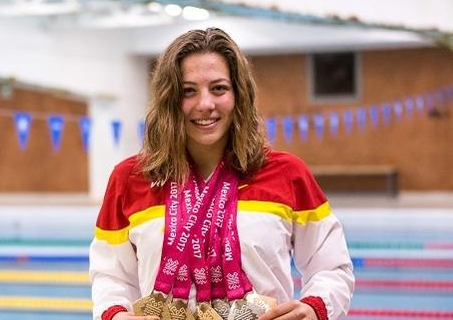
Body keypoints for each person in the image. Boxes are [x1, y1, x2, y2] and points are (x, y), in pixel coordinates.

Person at [89, 28, 354, 320]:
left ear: (238, 94)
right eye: (188, 91)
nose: (205, 104)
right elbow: (110, 275)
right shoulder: (130, 178)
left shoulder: (287, 173)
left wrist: (315, 307)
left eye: (218, 88)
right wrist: (117, 315)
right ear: (169, 99)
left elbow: (331, 266)